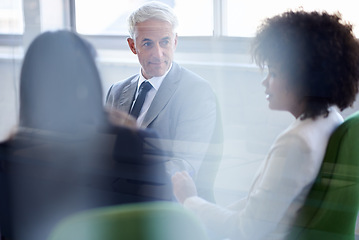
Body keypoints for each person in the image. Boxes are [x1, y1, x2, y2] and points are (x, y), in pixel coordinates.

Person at [171, 10, 359, 240]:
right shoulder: (332, 120)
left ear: (305, 78)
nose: (264, 82)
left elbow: (246, 229)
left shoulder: (297, 143)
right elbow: (262, 205)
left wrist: (189, 199)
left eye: (274, 73)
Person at [0, 30, 171, 240]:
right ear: (91, 80)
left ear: (29, 88)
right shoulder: (135, 144)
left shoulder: (8, 157)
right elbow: (164, 226)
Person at [106, 1, 222, 201]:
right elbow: (104, 149)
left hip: (163, 201)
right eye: (148, 43)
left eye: (165, 42)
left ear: (175, 41)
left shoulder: (196, 91)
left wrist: (127, 178)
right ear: (133, 46)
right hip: (114, 194)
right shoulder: (117, 91)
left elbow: (184, 165)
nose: (158, 54)